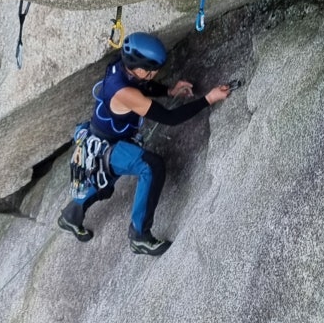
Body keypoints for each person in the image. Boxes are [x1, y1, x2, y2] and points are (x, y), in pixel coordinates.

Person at [57, 32, 232, 256]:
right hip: (106, 146)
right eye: (153, 70)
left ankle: (70, 216)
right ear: (139, 68)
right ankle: (139, 236)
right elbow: (171, 118)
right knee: (150, 166)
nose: (155, 73)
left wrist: (169, 91)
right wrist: (208, 99)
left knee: (105, 178)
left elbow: (145, 86)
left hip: (103, 136)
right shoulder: (124, 92)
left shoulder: (120, 66)